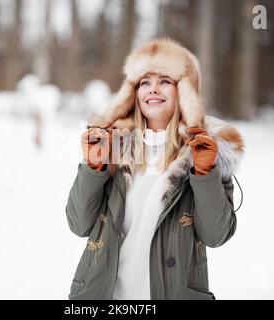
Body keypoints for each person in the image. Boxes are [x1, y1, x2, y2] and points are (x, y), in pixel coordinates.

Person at [65, 38, 245, 300]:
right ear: (132, 93)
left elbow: (215, 235)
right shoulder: (112, 146)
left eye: (165, 81)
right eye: (144, 82)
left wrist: (204, 173)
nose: (153, 89)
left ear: (186, 92)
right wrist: (93, 167)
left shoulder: (206, 152)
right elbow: (79, 224)